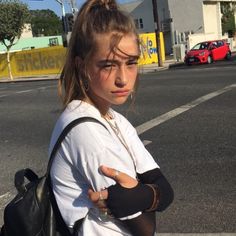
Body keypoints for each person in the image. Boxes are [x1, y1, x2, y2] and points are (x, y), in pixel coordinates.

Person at [48, 0, 174, 235]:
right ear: (81, 65)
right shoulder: (85, 129)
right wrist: (150, 194)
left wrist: (143, 195)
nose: (123, 79)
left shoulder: (113, 118)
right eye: (108, 65)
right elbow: (146, 228)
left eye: (131, 63)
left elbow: (166, 190)